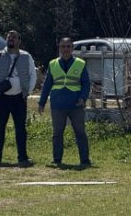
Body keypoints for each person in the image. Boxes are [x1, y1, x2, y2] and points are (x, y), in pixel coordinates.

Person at [0, 30, 37, 166]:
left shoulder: (26, 57)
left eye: (14, 37)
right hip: (2, 98)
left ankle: (23, 157)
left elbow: (33, 75)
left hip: (19, 98)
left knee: (21, 128)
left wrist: (28, 92)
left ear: (19, 41)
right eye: (9, 37)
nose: (11, 39)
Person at [38, 37, 91, 167]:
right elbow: (47, 85)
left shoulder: (80, 63)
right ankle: (57, 159)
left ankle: (84, 160)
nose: (66, 49)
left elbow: (86, 83)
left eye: (68, 46)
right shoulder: (53, 64)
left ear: (72, 48)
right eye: (63, 46)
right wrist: (42, 102)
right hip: (58, 103)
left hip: (76, 105)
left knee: (80, 133)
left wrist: (83, 98)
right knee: (57, 133)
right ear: (59, 48)